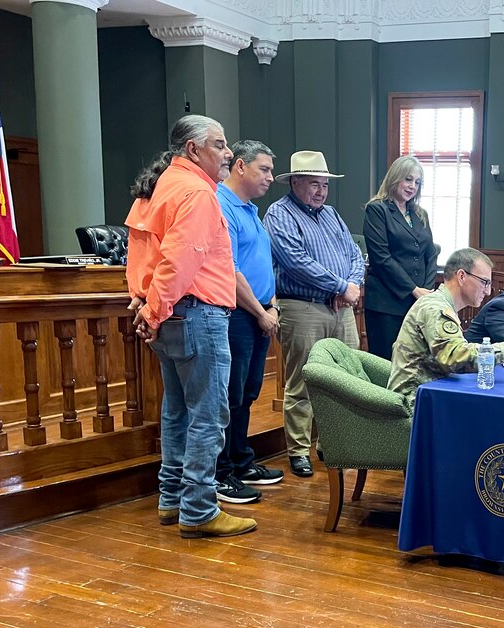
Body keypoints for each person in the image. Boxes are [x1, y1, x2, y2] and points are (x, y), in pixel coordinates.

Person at [125, 114, 256, 539]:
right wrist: (153, 307)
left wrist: (147, 301)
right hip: (198, 314)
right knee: (208, 415)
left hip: (172, 314)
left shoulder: (162, 185)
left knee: (177, 410)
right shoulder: (198, 192)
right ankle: (199, 509)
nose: (228, 152)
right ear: (193, 150)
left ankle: (171, 500)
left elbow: (142, 249)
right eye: (219, 144)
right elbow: (181, 258)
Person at [263, 150, 365, 478]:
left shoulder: (333, 214)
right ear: (294, 182)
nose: (321, 191)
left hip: (339, 308)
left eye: (324, 185)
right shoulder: (279, 214)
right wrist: (339, 286)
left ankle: (331, 443)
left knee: (346, 378)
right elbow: (295, 261)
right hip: (301, 307)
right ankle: (297, 450)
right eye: (313, 184)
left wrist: (350, 285)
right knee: (302, 382)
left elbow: (354, 255)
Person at [388, 247, 504, 410]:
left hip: (434, 393)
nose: (488, 291)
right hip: (416, 405)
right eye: (484, 282)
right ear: (461, 276)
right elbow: (455, 359)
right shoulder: (435, 308)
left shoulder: (440, 304)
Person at [213, 140, 284, 505]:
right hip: (240, 313)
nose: (271, 177)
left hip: (260, 311)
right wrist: (260, 311)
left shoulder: (251, 209)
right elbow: (231, 270)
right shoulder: (222, 204)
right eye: (265, 169)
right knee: (231, 395)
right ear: (240, 166)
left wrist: (269, 309)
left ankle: (241, 461)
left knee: (249, 392)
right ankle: (222, 473)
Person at [362, 156, 440, 360]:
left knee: (415, 362)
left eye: (417, 182)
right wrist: (413, 290)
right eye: (408, 179)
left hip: (417, 303)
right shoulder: (377, 209)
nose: (412, 186)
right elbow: (382, 258)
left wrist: (426, 290)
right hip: (386, 304)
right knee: (387, 363)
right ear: (395, 178)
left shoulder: (419, 213)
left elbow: (431, 254)